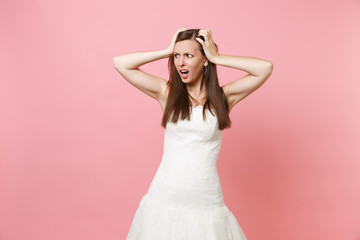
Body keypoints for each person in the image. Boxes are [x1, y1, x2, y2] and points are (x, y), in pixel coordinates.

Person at [113, 28, 273, 240]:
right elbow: (120, 63)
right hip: (164, 196)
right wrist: (166, 50)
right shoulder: (166, 93)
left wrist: (217, 57)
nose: (181, 63)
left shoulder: (224, 97)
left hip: (205, 199)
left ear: (204, 60)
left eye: (188, 55)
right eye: (177, 56)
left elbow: (265, 68)